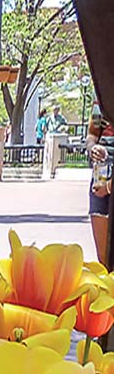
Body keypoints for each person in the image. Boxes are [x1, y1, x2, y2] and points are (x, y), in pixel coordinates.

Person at [87, 104, 114, 266]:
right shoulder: (102, 99)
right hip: (102, 172)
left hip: (107, 183)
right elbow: (92, 133)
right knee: (104, 257)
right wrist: (92, 148)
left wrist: (109, 187)